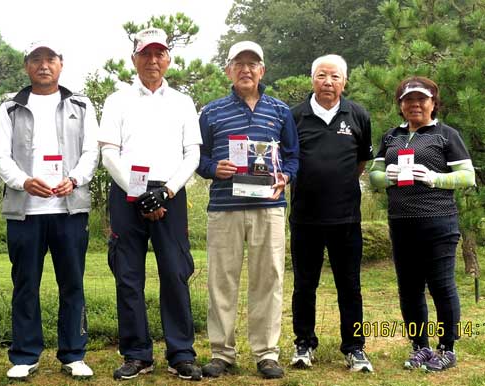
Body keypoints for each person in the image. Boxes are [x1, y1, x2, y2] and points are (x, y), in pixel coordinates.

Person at [98, 27, 202, 381]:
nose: (152, 60)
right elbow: (109, 153)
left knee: (175, 272)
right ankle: (137, 352)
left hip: (170, 193)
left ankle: (181, 353)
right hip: (128, 194)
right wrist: (138, 192)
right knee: (128, 275)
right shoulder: (118, 100)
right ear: (134, 59)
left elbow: (192, 154)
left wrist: (167, 191)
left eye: (159, 54)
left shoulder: (183, 102)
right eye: (146, 54)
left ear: (168, 60)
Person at [0, 41, 99, 380]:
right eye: (36, 59)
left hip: (69, 208)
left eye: (50, 58)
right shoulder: (9, 108)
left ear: (61, 64)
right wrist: (23, 182)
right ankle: (25, 354)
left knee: (72, 283)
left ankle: (73, 353)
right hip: (25, 211)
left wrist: (75, 179)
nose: (43, 65)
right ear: (26, 65)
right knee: (25, 283)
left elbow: (90, 151)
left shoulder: (80, 105)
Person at [197, 41, 299, 379]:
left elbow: (293, 156)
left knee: (268, 279)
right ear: (228, 70)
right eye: (238, 64)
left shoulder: (280, 110)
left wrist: (285, 175)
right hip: (225, 207)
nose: (246, 69)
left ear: (262, 70)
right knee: (221, 280)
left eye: (252, 63)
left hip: (269, 207)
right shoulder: (211, 112)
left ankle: (266, 353)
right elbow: (198, 158)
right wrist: (214, 168)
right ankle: (221, 352)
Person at [369, 76, 475, 371]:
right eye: (408, 100)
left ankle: (447, 348)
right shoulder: (391, 137)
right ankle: (421, 347)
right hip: (401, 223)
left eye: (421, 99)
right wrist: (386, 175)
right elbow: (374, 176)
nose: (415, 104)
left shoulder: (445, 134)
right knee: (410, 288)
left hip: (438, 222)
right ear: (400, 105)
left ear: (433, 102)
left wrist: (434, 177)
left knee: (441, 286)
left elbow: (468, 177)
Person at [289, 54, 374, 372]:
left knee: (350, 285)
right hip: (304, 218)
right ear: (312, 79)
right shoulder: (294, 116)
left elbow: (361, 162)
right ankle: (303, 344)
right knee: (304, 284)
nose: (328, 82)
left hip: (346, 219)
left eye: (335, 76)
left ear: (344, 81)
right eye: (322, 75)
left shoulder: (358, 115)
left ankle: (355, 347)